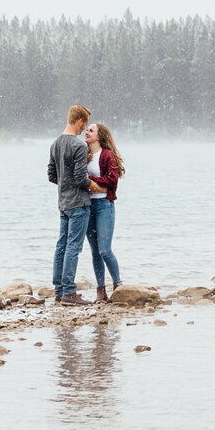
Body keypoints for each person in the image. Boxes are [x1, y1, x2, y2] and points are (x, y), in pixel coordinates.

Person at [47, 104, 97, 306]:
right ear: (79, 121)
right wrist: (96, 186)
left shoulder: (55, 144)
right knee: (73, 247)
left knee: (61, 245)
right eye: (84, 124)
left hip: (63, 202)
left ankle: (59, 290)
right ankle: (69, 292)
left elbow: (52, 175)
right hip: (78, 203)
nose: (85, 129)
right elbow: (80, 178)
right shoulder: (78, 146)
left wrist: (65, 184)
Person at [82, 122, 125, 302]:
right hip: (86, 206)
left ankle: (118, 285)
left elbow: (112, 180)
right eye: (86, 129)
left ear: (99, 136)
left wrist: (90, 180)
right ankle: (101, 291)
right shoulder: (84, 155)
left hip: (104, 206)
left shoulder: (107, 155)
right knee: (94, 251)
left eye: (91, 130)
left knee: (105, 249)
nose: (87, 132)